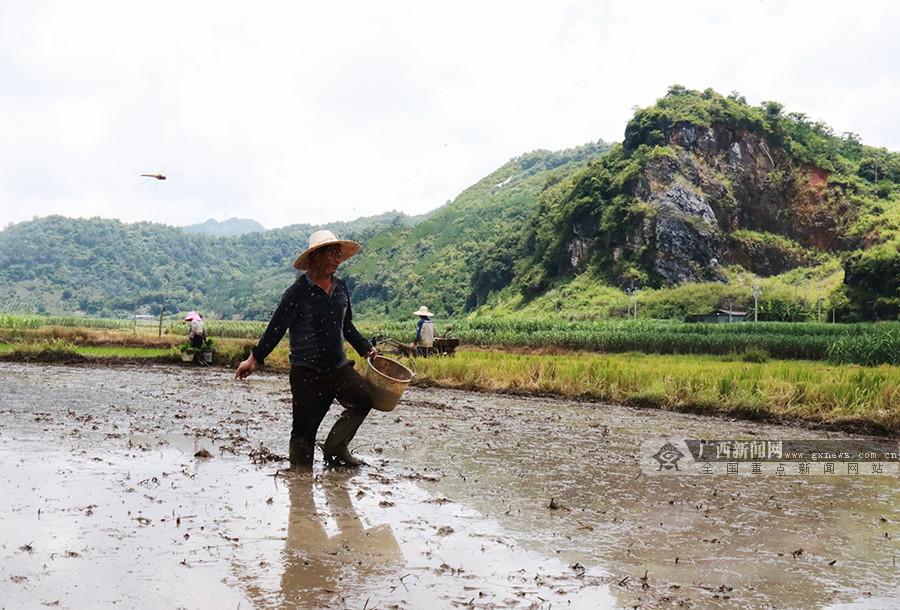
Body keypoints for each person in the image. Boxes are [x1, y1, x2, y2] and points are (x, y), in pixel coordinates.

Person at [234, 230, 377, 469]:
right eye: (331, 253)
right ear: (314, 258)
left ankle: (335, 447)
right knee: (303, 433)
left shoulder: (341, 287)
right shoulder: (297, 292)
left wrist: (366, 348)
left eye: (338, 254)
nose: (336, 259)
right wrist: (253, 359)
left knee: (364, 399)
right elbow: (276, 328)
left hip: (338, 368)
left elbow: (347, 325)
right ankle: (300, 486)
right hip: (307, 373)